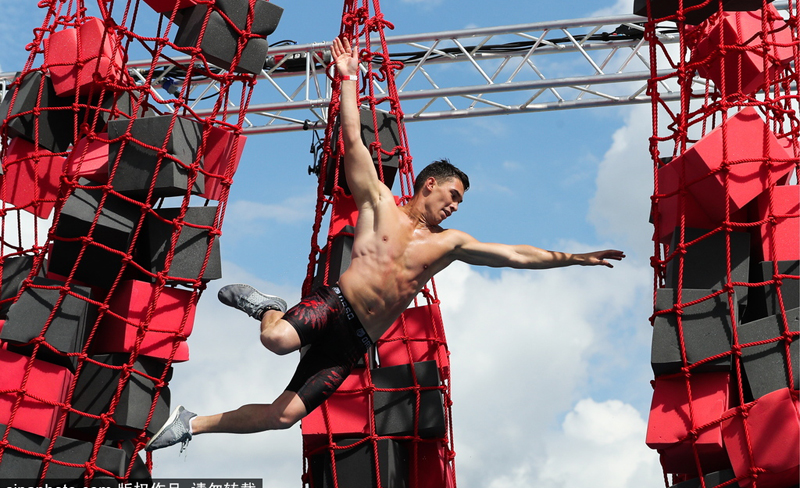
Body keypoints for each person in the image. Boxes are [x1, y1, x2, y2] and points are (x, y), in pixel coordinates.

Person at [145, 37, 625, 451]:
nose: (455, 207)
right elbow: (353, 141)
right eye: (453, 195)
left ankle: (191, 423)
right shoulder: (379, 204)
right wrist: (348, 80)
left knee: (285, 416)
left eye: (461, 203)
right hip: (333, 307)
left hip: (355, 341)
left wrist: (577, 258)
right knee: (276, 339)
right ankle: (267, 307)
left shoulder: (449, 244)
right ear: (429, 184)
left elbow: (517, 256)